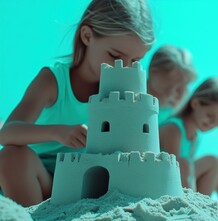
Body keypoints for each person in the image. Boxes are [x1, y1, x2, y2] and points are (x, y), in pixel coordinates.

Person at [0, 0, 154, 207]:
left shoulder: (125, 91)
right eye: (115, 56)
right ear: (87, 36)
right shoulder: (53, 80)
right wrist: (58, 132)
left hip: (89, 184)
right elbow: (7, 133)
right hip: (42, 180)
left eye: (135, 61)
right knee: (12, 156)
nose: (124, 67)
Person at [159, 77, 218, 205]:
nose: (213, 123)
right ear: (196, 103)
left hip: (182, 187)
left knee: (214, 163)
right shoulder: (173, 128)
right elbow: (172, 170)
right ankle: (195, 207)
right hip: (162, 184)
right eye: (210, 115)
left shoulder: (195, 136)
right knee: (188, 163)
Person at [147, 45, 197, 124]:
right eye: (168, 84)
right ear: (152, 72)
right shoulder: (135, 92)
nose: (171, 93)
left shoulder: (181, 104)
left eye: (180, 88)